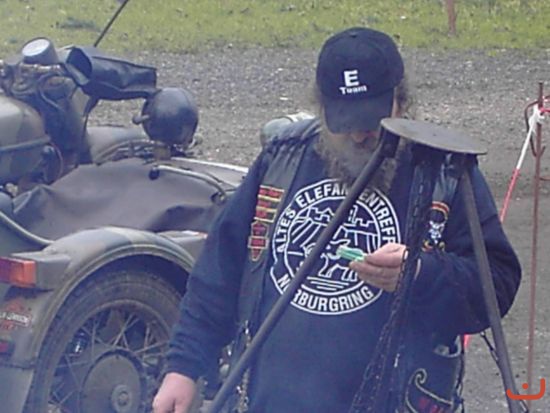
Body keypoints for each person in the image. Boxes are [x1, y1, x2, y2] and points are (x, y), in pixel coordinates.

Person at [153, 27, 521, 413]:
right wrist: (183, 367)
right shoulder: (283, 159)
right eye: (345, 122)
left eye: (373, 121)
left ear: (401, 100)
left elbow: (498, 283)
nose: (360, 135)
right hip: (273, 400)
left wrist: (419, 274)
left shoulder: (444, 170)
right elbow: (218, 273)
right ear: (321, 107)